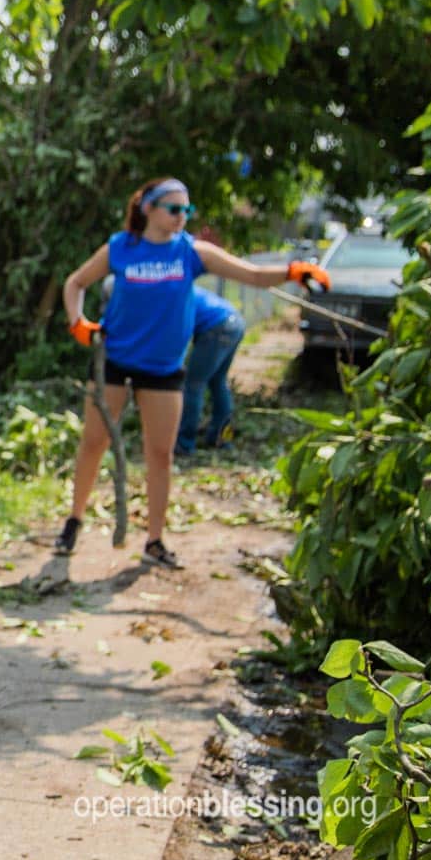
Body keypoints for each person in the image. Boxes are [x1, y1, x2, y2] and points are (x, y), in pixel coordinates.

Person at [53, 178, 329, 568]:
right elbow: (75, 282)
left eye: (187, 210)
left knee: (160, 454)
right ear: (148, 208)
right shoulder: (121, 247)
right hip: (114, 360)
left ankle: (154, 540)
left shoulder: (192, 253)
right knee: (94, 442)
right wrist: (77, 321)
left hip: (163, 368)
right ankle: (74, 521)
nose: (182, 216)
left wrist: (293, 271)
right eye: (174, 209)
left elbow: (250, 275)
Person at [177, 287, 247, 455]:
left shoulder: (169, 295)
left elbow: (179, 332)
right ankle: (221, 439)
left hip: (218, 326)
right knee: (218, 382)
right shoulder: (175, 284)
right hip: (234, 322)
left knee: (193, 385)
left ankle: (184, 444)